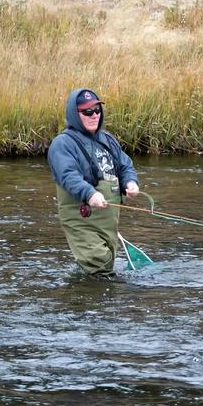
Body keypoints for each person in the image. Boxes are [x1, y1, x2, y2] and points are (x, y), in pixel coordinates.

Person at [47, 87, 140, 276]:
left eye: (97, 110)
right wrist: (90, 194)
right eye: (87, 111)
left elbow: (124, 165)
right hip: (82, 219)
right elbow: (68, 176)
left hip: (108, 221)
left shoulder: (108, 139)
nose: (94, 115)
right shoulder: (62, 144)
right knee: (98, 265)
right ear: (75, 114)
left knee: (106, 265)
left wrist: (130, 183)